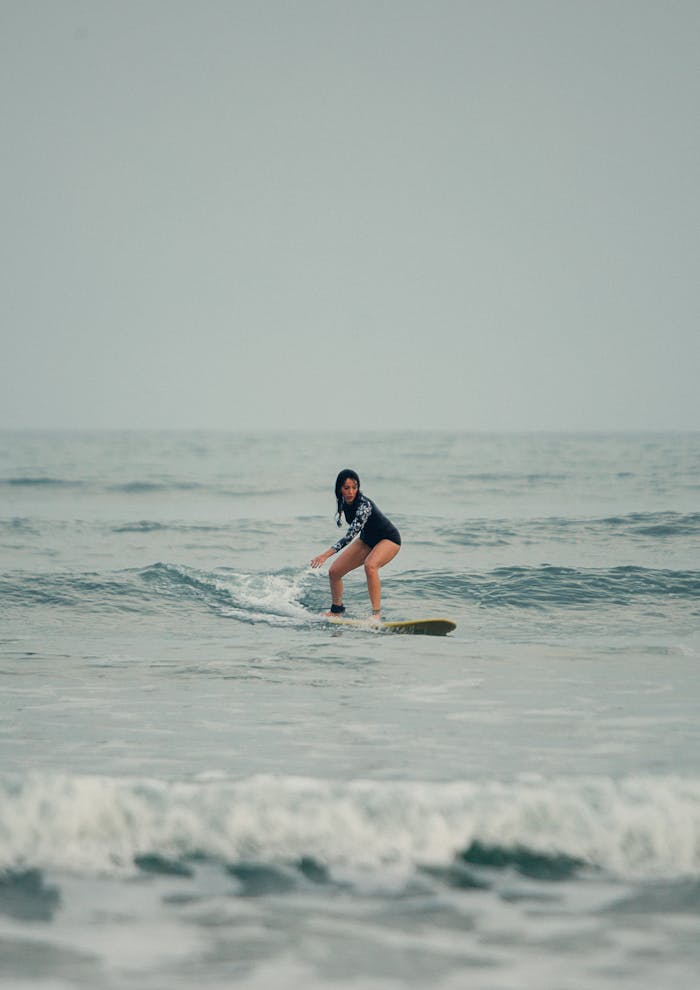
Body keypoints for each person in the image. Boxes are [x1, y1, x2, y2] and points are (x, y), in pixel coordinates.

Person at [310, 469, 401, 619]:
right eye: (347, 488)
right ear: (340, 489)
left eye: (354, 487)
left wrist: (324, 555)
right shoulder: (344, 502)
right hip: (368, 540)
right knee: (334, 572)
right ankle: (336, 611)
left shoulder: (364, 506)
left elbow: (349, 536)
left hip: (388, 539)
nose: (351, 492)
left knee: (370, 565)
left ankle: (376, 615)